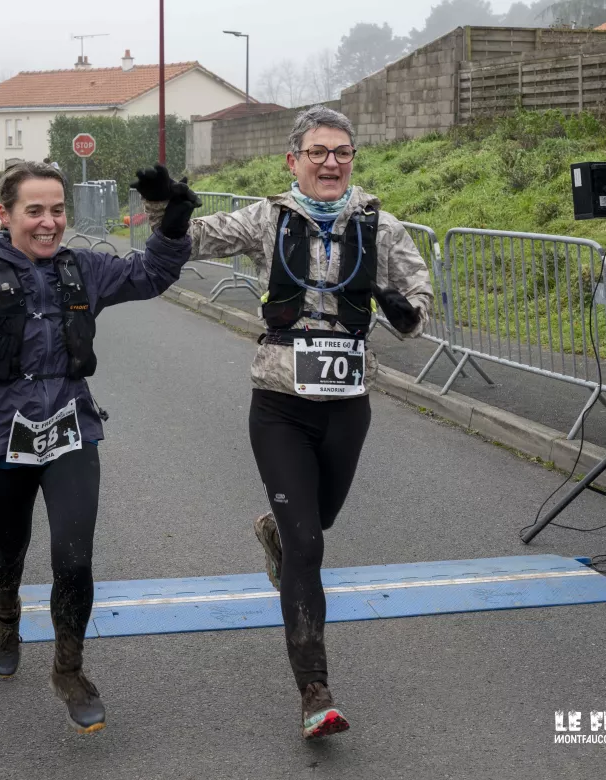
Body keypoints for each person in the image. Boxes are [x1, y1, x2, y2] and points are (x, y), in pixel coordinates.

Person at [135, 105, 433, 740]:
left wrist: (403, 309)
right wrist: (165, 206)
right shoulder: (267, 218)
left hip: (348, 401)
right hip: (279, 402)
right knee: (309, 547)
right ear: (293, 161)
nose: (331, 163)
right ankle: (315, 692)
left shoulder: (381, 226)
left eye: (342, 152)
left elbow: (418, 306)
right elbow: (188, 240)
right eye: (318, 152)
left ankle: (277, 529)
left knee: (319, 521)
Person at [0, 161, 199, 733]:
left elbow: (150, 274)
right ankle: (6, 613)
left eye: (57, 210)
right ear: (4, 215)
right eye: (34, 211)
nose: (49, 222)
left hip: (70, 425)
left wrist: (172, 224)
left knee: (74, 558)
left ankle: (68, 669)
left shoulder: (83, 268)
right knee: (8, 550)